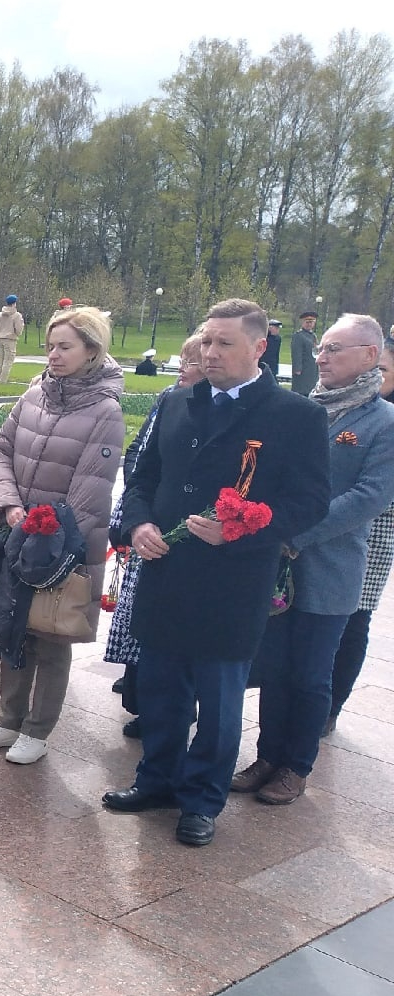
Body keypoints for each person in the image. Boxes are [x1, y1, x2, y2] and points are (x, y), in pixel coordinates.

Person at [104, 299, 330, 848]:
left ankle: (202, 799)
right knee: (161, 692)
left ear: (259, 348)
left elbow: (311, 503)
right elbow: (142, 476)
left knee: (220, 702)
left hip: (232, 584)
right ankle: (156, 780)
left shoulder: (294, 415)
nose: (210, 352)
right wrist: (136, 526)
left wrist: (247, 528)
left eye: (224, 343)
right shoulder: (177, 401)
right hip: (166, 572)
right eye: (206, 341)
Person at [233, 315, 394, 805]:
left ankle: (296, 766)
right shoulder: (306, 409)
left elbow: (369, 496)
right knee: (275, 665)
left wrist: (294, 530)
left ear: (370, 355)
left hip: (330, 567)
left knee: (309, 674)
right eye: (321, 348)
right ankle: (267, 756)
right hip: (280, 563)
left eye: (335, 349)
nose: (321, 357)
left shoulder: (382, 421)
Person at [0, 306, 126, 765]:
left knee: (51, 637)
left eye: (65, 347)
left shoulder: (105, 410)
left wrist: (47, 535)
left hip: (62, 548)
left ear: (92, 351)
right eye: (50, 346)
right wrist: (10, 506)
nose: (53, 356)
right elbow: (0, 451)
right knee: (11, 629)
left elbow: (91, 490)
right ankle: (8, 720)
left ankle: (37, 730)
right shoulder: (36, 391)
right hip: (15, 532)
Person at [106, 331, 206, 736]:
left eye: (191, 362)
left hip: (187, 536)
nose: (183, 368)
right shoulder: (169, 399)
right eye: (182, 360)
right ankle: (143, 698)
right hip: (148, 524)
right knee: (139, 623)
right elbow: (139, 455)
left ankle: (167, 711)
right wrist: (139, 508)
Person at [326, 338, 394, 733]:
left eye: (382, 371)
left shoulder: (384, 420)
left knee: (355, 616)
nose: (374, 378)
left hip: (374, 528)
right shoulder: (340, 406)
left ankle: (332, 705)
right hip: (328, 528)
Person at [0, 295, 25, 383]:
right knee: (8, 361)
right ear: (14, 303)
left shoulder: (0, 314)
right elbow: (19, 329)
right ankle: (3, 380)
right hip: (10, 339)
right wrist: (18, 333)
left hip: (0, 338)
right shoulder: (16, 315)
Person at [291, 310, 319, 396]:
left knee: (311, 391)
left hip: (312, 369)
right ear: (302, 322)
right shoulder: (298, 336)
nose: (309, 324)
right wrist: (297, 369)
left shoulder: (313, 336)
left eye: (311, 322)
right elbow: (296, 353)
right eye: (307, 322)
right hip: (303, 370)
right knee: (301, 391)